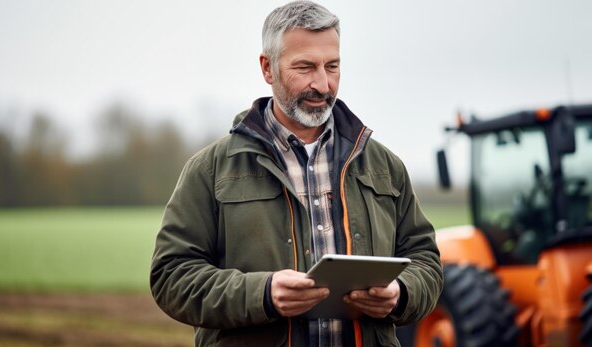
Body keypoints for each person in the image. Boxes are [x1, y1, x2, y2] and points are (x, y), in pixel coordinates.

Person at [150, 1, 443, 346]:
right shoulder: (210, 170)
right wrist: (263, 294)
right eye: (304, 67)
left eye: (332, 66)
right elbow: (171, 277)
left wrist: (400, 292)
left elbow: (427, 264)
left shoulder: (385, 167)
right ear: (267, 68)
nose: (322, 84)